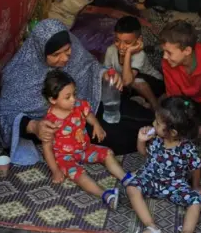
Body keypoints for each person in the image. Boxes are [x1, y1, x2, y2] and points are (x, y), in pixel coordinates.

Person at [0, 19, 142, 166]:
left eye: (67, 50)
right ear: (40, 51)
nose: (64, 58)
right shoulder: (18, 74)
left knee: (131, 112)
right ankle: (149, 141)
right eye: (56, 54)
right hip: (62, 129)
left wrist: (103, 73)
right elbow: (4, 116)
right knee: (118, 135)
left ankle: (158, 131)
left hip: (84, 105)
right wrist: (33, 126)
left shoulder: (73, 50)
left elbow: (88, 65)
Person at [126, 97, 201, 233]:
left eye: (158, 123)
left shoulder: (187, 148)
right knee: (132, 187)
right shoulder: (157, 139)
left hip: (175, 185)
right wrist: (141, 141)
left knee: (197, 201)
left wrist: (196, 187)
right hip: (151, 180)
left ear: (172, 132)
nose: (153, 124)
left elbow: (196, 167)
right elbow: (146, 155)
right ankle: (151, 228)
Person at [40, 69, 134, 209]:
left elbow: (88, 114)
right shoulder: (50, 121)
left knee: (107, 153)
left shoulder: (78, 105)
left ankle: (126, 179)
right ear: (53, 99)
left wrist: (96, 125)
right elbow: (47, 148)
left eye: (74, 94)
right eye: (67, 97)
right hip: (64, 157)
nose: (73, 99)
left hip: (85, 148)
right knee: (78, 174)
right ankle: (106, 195)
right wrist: (55, 170)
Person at [159, 20, 201, 139]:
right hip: (185, 99)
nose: (164, 56)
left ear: (187, 51)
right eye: (164, 51)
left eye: (169, 53)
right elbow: (174, 97)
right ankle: (196, 130)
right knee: (171, 122)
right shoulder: (167, 63)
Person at [103, 16, 164, 110]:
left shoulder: (140, 54)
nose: (121, 47)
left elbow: (128, 80)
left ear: (139, 40)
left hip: (154, 85)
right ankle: (141, 102)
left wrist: (128, 53)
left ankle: (156, 107)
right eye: (117, 40)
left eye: (127, 42)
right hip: (131, 87)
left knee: (134, 80)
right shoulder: (110, 50)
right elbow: (106, 73)